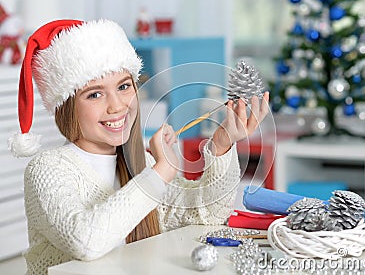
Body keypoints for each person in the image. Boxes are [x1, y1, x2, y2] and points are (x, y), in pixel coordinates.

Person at [8, 19, 270, 275]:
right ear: (66, 108)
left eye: (123, 86)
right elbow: (86, 241)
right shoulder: (46, 169)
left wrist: (222, 145)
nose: (117, 106)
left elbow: (206, 213)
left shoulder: (140, 162)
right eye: (95, 94)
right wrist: (160, 174)